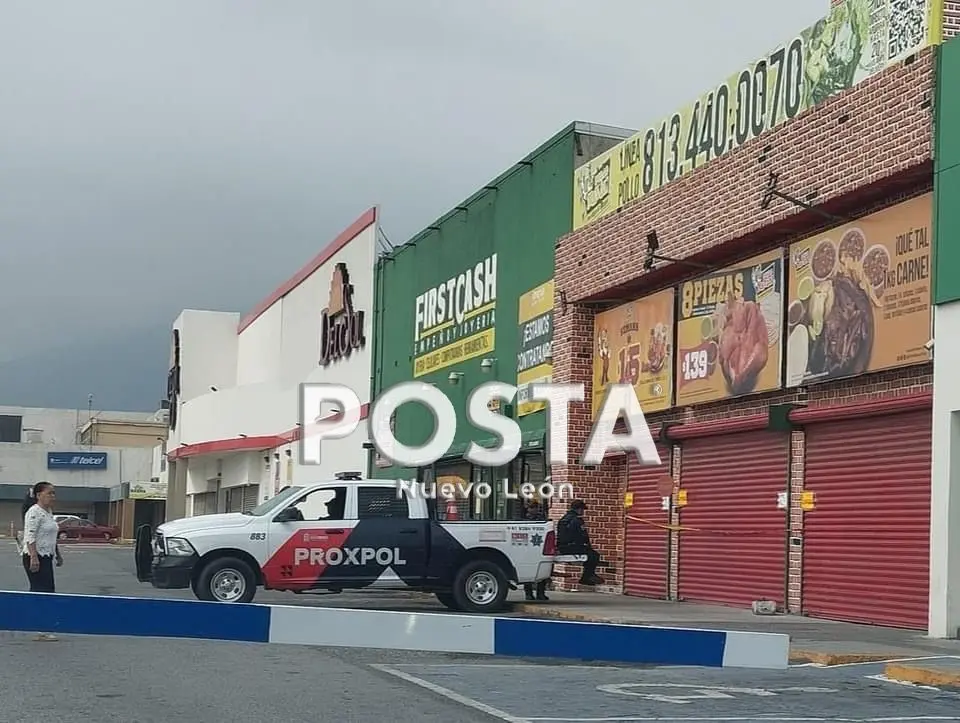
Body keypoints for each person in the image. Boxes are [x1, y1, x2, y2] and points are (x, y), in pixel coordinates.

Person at [22, 482, 63, 641]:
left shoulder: (48, 512)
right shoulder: (34, 512)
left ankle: (43, 626)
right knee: (40, 591)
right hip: (35, 556)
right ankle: (40, 629)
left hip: (47, 556)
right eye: (49, 493)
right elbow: (29, 536)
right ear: (39, 495)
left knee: (48, 590)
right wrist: (33, 557)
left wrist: (58, 554)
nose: (53, 496)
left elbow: (50, 536)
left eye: (54, 493)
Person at [556, 499, 603, 586]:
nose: (583, 511)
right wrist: (588, 546)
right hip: (573, 547)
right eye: (582, 509)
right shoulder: (577, 520)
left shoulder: (563, 519)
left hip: (562, 547)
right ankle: (586, 577)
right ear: (579, 509)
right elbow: (583, 536)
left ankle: (587, 576)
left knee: (590, 554)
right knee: (594, 555)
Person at [522, 495, 549, 601]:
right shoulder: (524, 519)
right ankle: (528, 593)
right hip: (527, 549)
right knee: (528, 571)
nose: (534, 509)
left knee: (541, 572)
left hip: (539, 547)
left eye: (536, 507)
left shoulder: (541, 518)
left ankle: (540, 593)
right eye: (532, 507)